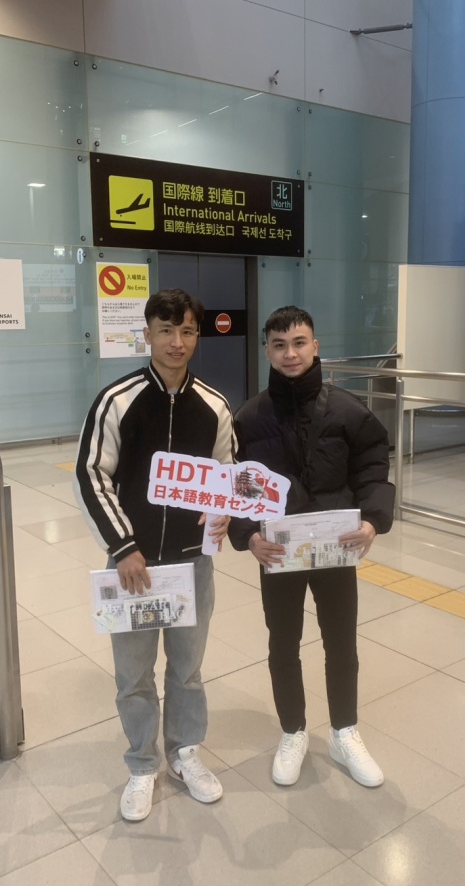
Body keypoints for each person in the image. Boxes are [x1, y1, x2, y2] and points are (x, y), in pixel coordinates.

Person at [74, 288, 236, 822]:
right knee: (134, 674)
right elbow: (91, 475)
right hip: (134, 566)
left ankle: (185, 754)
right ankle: (142, 764)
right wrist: (123, 546)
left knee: (187, 670)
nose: (176, 342)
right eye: (166, 330)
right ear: (147, 334)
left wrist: (223, 512)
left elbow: (227, 476)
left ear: (197, 336)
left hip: (192, 564)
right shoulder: (117, 400)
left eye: (187, 331)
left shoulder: (214, 406)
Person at [229, 306, 394, 788]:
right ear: (267, 351)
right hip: (278, 551)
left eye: (299, 343)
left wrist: (372, 521)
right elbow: (235, 486)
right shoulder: (249, 417)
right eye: (279, 345)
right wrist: (248, 535)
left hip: (334, 548)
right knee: (283, 643)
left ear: (315, 346)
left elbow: (372, 466)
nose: (290, 353)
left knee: (341, 642)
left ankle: (344, 732)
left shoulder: (347, 410)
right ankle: (293, 732)